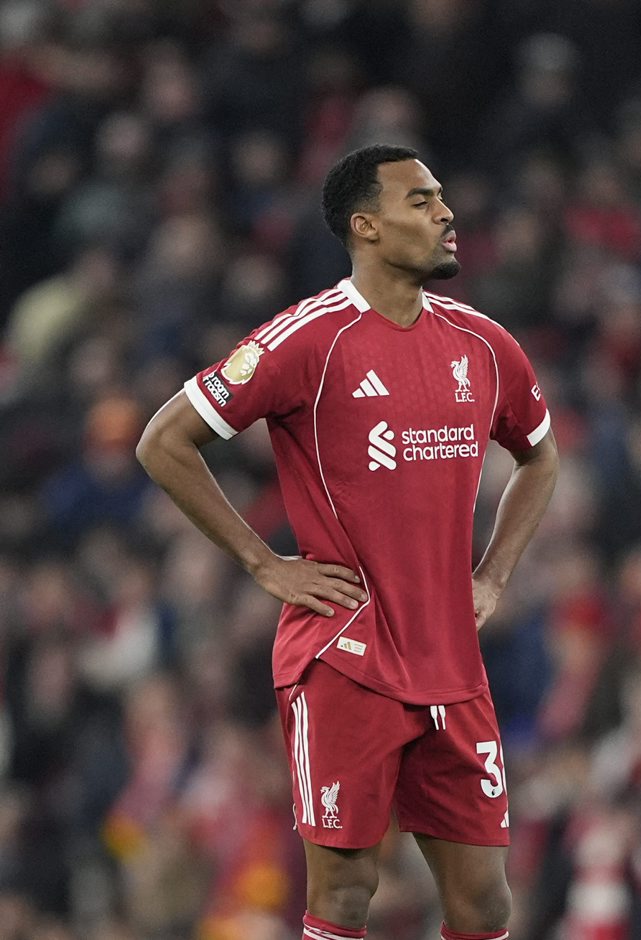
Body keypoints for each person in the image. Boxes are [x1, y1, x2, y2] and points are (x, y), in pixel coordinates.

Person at [136, 144, 559, 940]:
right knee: (346, 892)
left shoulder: (483, 343)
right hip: (345, 656)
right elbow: (163, 441)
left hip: (450, 662)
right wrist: (263, 562)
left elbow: (540, 455)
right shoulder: (308, 339)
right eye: (420, 201)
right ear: (366, 226)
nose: (446, 214)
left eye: (441, 197)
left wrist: (495, 574)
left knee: (485, 903)